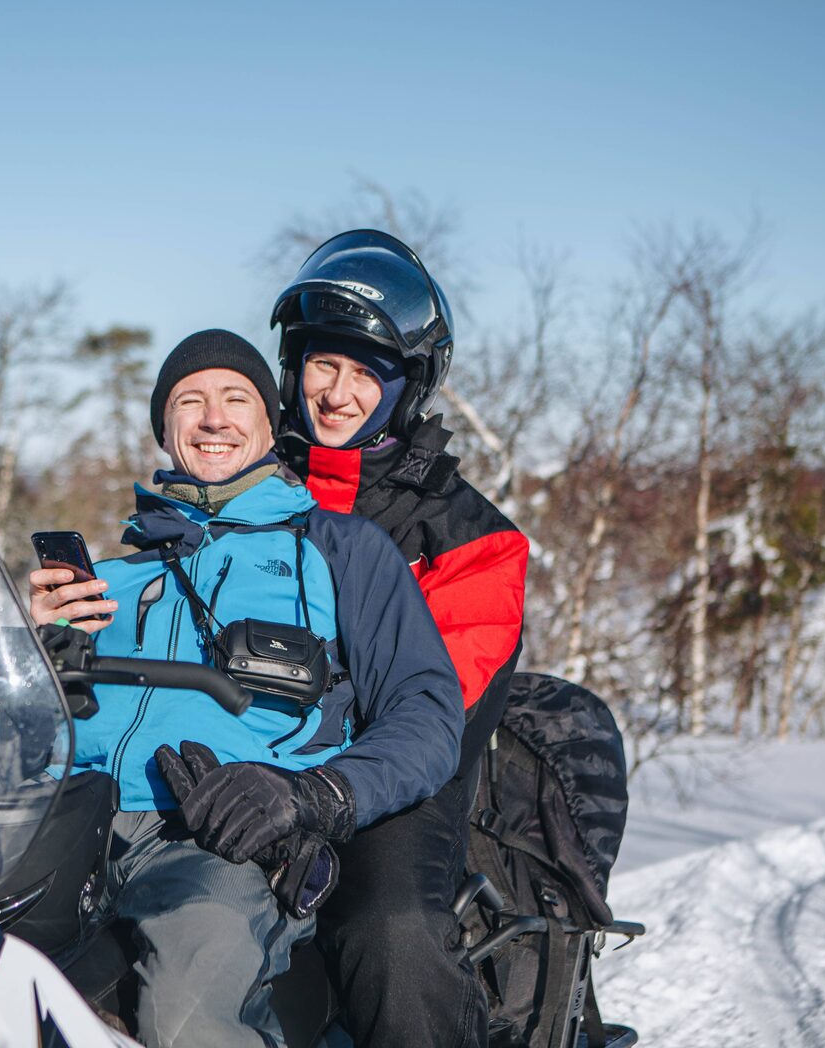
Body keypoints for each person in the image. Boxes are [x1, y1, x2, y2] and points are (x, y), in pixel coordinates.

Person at [28, 329, 464, 1048]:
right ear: (165, 431)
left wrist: (308, 796)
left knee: (182, 1014)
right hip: (72, 826)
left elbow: (426, 714)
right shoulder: (113, 571)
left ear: (269, 422)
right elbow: (35, 715)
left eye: (236, 399)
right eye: (189, 401)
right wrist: (40, 650)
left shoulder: (336, 548)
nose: (213, 418)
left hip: (218, 842)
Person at [270, 230, 531, 1048]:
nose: (337, 392)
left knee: (391, 931)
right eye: (323, 363)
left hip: (391, 789)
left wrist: (317, 792)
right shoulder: (246, 496)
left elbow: (430, 708)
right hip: (239, 768)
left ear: (406, 387)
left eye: (365, 371)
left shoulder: (472, 538)